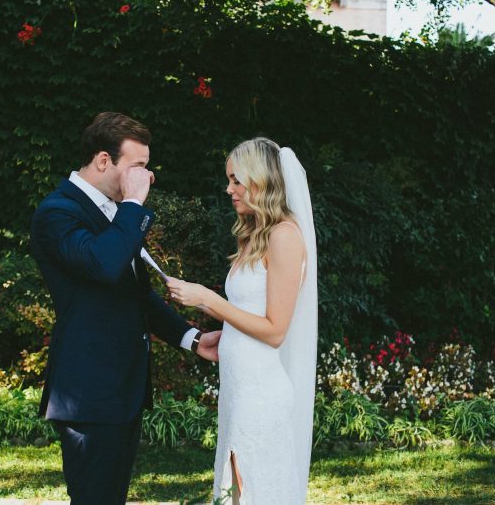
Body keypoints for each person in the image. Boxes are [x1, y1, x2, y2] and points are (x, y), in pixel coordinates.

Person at [29, 112, 222, 505]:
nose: (146, 178)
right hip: (90, 392)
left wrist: (192, 337)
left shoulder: (114, 213)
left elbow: (134, 294)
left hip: (120, 392)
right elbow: (104, 264)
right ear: (104, 160)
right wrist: (133, 203)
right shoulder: (58, 211)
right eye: (138, 167)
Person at [167, 138, 318, 504]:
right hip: (238, 387)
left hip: (261, 394)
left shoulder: (284, 236)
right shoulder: (254, 235)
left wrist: (211, 300)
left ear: (260, 180)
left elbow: (275, 330)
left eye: (236, 180)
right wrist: (224, 327)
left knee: (253, 493)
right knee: (236, 493)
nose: (228, 188)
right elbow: (248, 313)